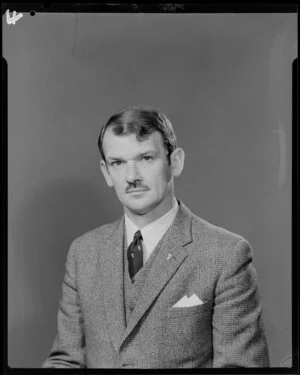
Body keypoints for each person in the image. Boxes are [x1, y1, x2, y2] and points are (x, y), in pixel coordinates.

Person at [42, 106, 270, 368]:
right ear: (106, 172)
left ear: (175, 161)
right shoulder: (83, 252)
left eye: (146, 158)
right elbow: (66, 360)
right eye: (118, 163)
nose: (132, 177)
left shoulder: (226, 255)